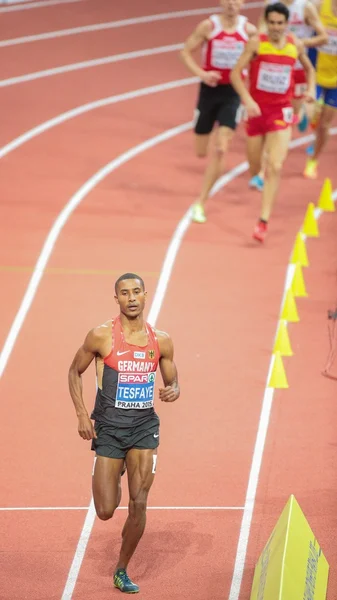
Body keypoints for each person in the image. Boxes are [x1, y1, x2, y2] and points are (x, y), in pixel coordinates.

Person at [68, 273, 180, 593]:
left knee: (139, 502)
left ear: (145, 295)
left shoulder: (162, 340)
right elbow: (74, 372)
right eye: (124, 293)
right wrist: (80, 414)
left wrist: (173, 388)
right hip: (110, 428)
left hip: (144, 427)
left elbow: (172, 378)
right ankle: (113, 469)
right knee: (105, 511)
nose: (131, 298)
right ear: (115, 299)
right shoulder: (101, 336)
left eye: (136, 292)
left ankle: (121, 569)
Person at [230, 2, 316, 242]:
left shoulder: (294, 44)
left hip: (281, 111)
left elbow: (310, 69)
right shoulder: (257, 43)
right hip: (257, 112)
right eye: (273, 23)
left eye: (280, 23)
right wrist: (247, 99)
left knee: (276, 166)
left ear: (287, 24)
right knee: (255, 168)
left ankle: (263, 221)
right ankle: (257, 174)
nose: (276, 27)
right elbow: (235, 73)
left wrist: (309, 90)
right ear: (266, 23)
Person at [179, 0, 257, 224]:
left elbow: (260, 60)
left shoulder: (250, 31)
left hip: (233, 92)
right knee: (201, 151)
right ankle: (214, 135)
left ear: (242, 3)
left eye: (236, 0)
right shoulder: (209, 27)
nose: (231, 4)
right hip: (209, 92)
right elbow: (184, 52)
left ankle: (201, 202)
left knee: (222, 148)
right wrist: (201, 74)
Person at [249, 0, 327, 191]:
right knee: (273, 124)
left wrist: (298, 43)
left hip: (298, 69)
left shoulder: (305, 7)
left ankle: (302, 115)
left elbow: (323, 37)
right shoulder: (271, 5)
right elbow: (260, 32)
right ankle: (262, 172)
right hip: (277, 68)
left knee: (292, 117)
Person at [304, 0, 337, 179]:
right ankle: (312, 119)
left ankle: (313, 161)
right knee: (310, 113)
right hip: (315, 72)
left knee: (325, 125)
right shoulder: (319, 6)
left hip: (336, 81)